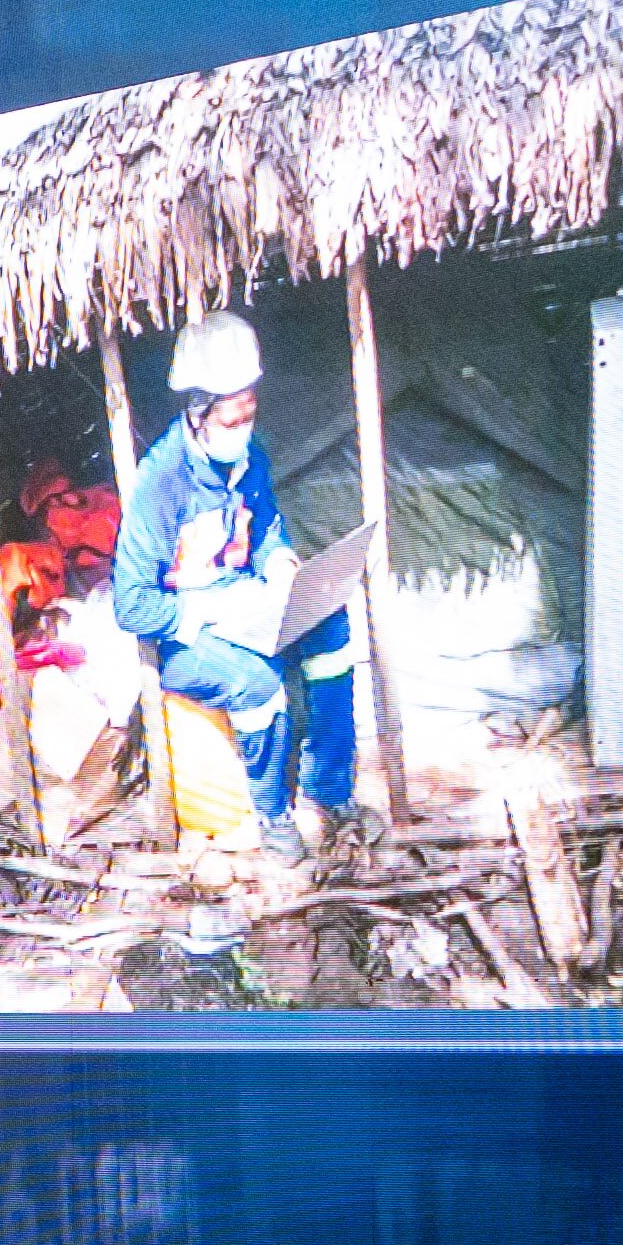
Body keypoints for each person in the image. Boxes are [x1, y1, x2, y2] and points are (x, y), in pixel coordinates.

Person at [110, 308, 356, 858]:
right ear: (197, 412)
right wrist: (207, 612)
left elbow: (266, 528)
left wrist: (280, 562)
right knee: (255, 683)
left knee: (331, 628)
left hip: (246, 609)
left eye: (249, 415)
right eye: (230, 422)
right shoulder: (160, 483)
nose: (242, 430)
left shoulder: (251, 457)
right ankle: (272, 816)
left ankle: (327, 789)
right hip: (181, 638)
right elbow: (131, 606)